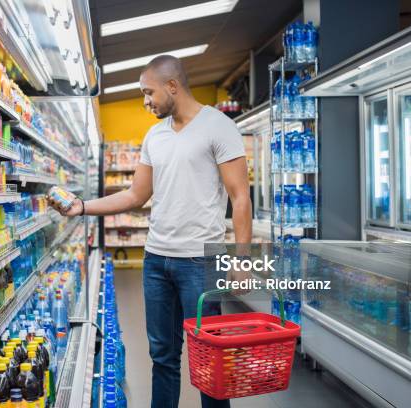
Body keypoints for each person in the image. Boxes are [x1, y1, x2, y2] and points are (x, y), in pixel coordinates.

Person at [53, 55, 252, 408]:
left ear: (172, 86)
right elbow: (135, 195)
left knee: (208, 356)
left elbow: (240, 197)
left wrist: (242, 259)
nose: (146, 102)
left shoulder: (218, 126)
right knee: (162, 356)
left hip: (201, 261)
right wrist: (82, 207)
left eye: (149, 93)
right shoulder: (154, 135)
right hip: (157, 259)